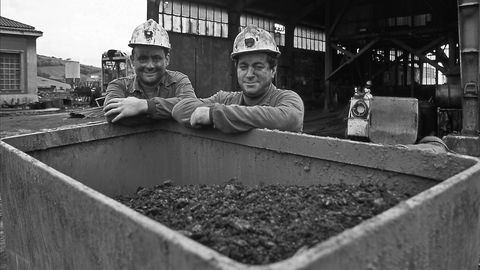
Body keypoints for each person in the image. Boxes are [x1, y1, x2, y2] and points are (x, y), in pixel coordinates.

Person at [172, 25, 304, 133]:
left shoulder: (287, 99)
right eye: (243, 67)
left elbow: (290, 119)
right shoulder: (224, 99)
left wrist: (215, 115)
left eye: (258, 67)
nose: (249, 74)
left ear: (273, 70)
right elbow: (180, 109)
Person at [103, 19, 196, 125]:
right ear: (132, 60)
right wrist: (170, 113)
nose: (150, 66)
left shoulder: (179, 80)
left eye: (156, 58)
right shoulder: (119, 85)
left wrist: (145, 106)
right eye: (143, 59)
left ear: (167, 59)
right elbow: (112, 114)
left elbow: (191, 107)